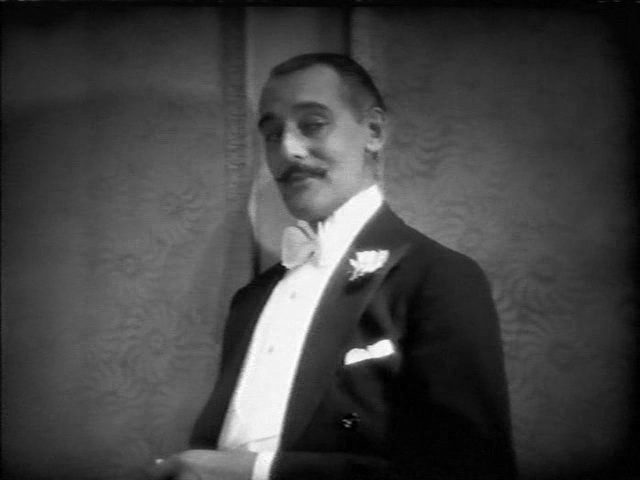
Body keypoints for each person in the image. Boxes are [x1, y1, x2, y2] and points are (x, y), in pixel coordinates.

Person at [149, 53, 517, 480]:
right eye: (272, 133)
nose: (287, 149)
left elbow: (473, 469)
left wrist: (258, 472)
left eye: (312, 124)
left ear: (374, 132)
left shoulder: (439, 277)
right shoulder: (250, 300)